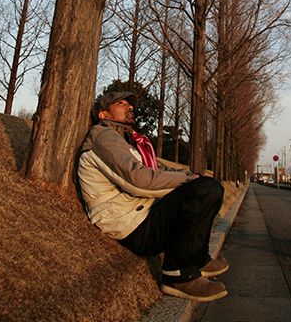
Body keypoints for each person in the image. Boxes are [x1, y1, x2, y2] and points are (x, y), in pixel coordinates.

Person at [77, 90, 229, 302]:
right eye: (121, 104)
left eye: (130, 104)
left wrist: (188, 176)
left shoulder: (125, 140)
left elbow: (155, 169)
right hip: (133, 226)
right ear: (104, 114)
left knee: (208, 187)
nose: (129, 107)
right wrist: (188, 181)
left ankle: (197, 258)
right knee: (204, 189)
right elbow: (138, 180)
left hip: (144, 214)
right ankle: (178, 275)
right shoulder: (103, 137)